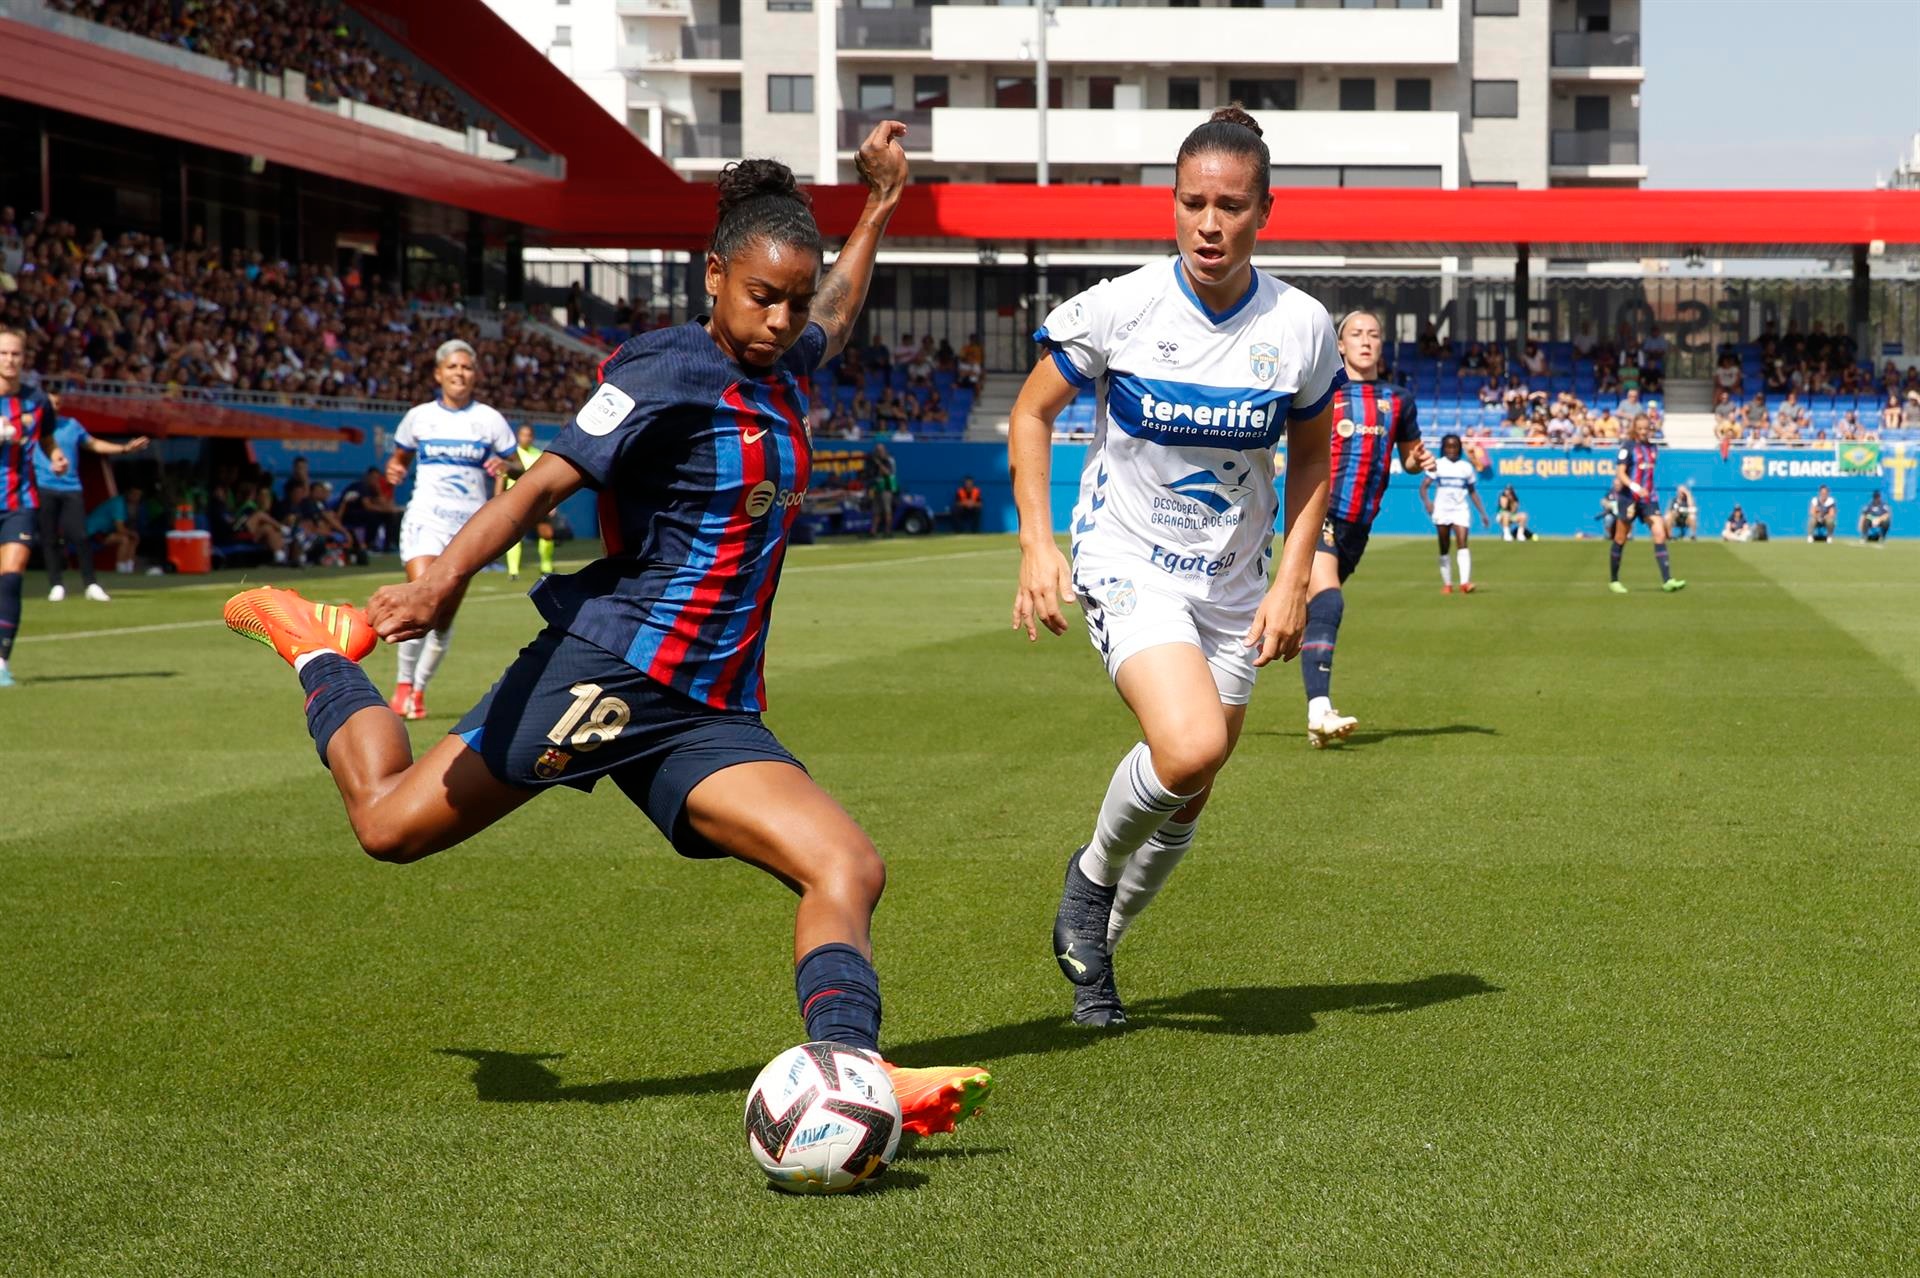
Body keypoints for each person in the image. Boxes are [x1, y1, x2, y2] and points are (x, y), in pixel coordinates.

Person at [218, 125, 991, 1137]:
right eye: (763, 297)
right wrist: (442, 582)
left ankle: (849, 1070)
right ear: (713, 276)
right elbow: (545, 483)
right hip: (611, 669)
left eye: (793, 301)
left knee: (847, 866)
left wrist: (881, 203)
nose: (782, 320)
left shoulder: (790, 357)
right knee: (388, 827)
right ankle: (318, 646)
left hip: (705, 709)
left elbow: (838, 311)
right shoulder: (665, 368)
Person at [1009, 107, 1340, 1028]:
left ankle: (1099, 961)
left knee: (1195, 783)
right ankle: (1089, 878)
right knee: (1187, 746)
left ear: (1265, 212)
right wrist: (1041, 544)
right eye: (1193, 202)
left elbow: (1313, 458)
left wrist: (1292, 582)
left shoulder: (1302, 326)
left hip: (1237, 584)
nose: (1209, 223)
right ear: (1172, 205)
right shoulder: (1121, 306)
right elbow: (1030, 414)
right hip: (1127, 561)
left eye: (1231, 205)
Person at [1298, 308, 1434, 747]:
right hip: (1320, 514)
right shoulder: (1325, 392)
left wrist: (1418, 461)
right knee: (1329, 602)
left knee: (1304, 613)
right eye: (1355, 333)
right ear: (1340, 345)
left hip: (1359, 526)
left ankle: (1219, 657)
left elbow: (1411, 458)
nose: (1365, 340)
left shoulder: (1399, 399)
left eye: (1373, 334)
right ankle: (1319, 711)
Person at [383, 338, 517, 721]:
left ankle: (420, 687)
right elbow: (400, 456)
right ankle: (403, 685)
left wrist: (508, 469)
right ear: (439, 373)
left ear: (475, 375)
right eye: (453, 367)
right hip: (426, 519)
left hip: (468, 530)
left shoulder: (489, 420)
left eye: (467, 367)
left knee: (442, 616)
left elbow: (521, 468)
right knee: (420, 599)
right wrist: (396, 468)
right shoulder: (420, 417)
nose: (460, 373)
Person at [0, 328, 70, 686]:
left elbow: (46, 439)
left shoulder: (36, 401)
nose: (10, 360)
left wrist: (55, 455)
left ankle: (1, 663)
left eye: (16, 354)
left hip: (20, 502)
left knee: (12, 575)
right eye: (4, 354)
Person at [36, 381, 148, 602]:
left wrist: (124, 448)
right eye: (51, 403)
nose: (55, 407)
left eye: (58, 403)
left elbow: (94, 444)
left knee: (79, 535)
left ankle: (91, 584)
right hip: (44, 486)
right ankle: (56, 584)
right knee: (49, 537)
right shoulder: (34, 427)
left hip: (71, 488)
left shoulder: (72, 425)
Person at [1608, 413, 1685, 594]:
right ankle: (1614, 580)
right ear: (1635, 428)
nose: (1643, 432)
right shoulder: (1627, 447)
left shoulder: (1653, 448)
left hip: (1649, 499)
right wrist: (1635, 487)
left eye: (1646, 428)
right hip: (1628, 498)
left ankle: (1668, 580)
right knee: (1621, 538)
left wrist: (1646, 490)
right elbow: (1620, 473)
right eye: (1640, 428)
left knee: (1659, 533)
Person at [1420, 434, 1490, 594]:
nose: (1452, 449)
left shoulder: (1466, 467)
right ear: (1443, 448)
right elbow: (1423, 487)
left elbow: (1472, 492)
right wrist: (1428, 503)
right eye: (1448, 446)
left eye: (1455, 446)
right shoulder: (1437, 464)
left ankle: (1465, 583)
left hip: (1460, 509)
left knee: (1462, 543)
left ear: (1459, 448)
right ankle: (1448, 583)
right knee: (1444, 547)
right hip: (1442, 509)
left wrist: (1482, 513)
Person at [503, 424, 556, 580]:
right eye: (523, 435)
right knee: (513, 535)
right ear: (518, 436)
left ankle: (546, 566)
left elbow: (547, 478)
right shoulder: (512, 455)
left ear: (532, 437)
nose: (526, 438)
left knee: (546, 533)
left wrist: (552, 502)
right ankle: (513, 571)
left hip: (536, 500)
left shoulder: (539, 454)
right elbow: (502, 477)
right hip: (514, 499)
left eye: (529, 435)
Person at [87, 482, 142, 573]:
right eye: (134, 494)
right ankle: (121, 569)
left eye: (139, 495)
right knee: (124, 539)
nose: (136, 497)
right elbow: (120, 528)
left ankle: (129, 568)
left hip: (106, 532)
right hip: (93, 532)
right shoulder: (118, 503)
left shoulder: (132, 507)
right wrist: (132, 533)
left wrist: (133, 534)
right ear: (128, 494)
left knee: (133, 539)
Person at [864, 443, 897, 537]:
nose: (879, 452)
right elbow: (870, 473)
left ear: (884, 450)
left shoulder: (888, 460)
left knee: (887, 510)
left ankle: (888, 531)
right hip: (876, 487)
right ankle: (873, 532)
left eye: (881, 450)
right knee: (876, 510)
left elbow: (888, 473)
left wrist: (879, 463)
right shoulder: (872, 460)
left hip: (886, 487)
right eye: (877, 450)